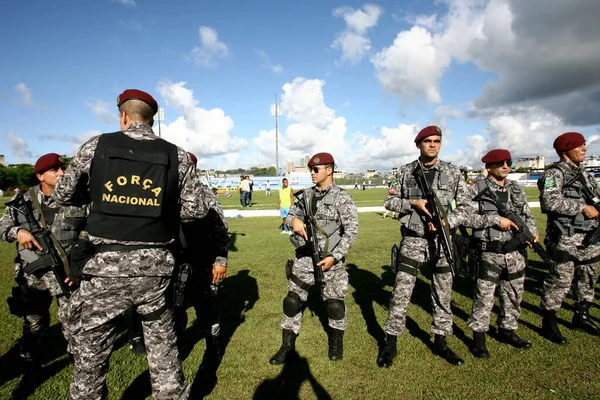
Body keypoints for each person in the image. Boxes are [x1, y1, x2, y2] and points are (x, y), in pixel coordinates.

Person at [53, 89, 214, 399]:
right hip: (155, 269)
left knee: (90, 360)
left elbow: (62, 194)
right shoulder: (175, 154)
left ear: (123, 116)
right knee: (163, 354)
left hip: (105, 269)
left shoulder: (97, 146)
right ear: (151, 119)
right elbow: (195, 209)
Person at [377, 125, 471, 368]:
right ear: (418, 144)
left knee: (443, 291)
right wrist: (413, 203)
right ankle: (391, 341)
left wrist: (447, 221)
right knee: (401, 291)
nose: (432, 144)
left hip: (442, 239)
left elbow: (467, 206)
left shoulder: (452, 172)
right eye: (427, 141)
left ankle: (441, 340)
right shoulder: (405, 172)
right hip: (413, 238)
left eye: (437, 141)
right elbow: (389, 201)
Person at [0, 153, 86, 395]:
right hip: (33, 277)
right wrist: (17, 232)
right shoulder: (23, 201)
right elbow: (2, 226)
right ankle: (31, 367)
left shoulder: (77, 198)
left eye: (62, 168)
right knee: (34, 325)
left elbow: (91, 233)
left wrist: (79, 267)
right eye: (54, 170)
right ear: (40, 176)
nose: (61, 173)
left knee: (74, 326)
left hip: (67, 276)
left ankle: (82, 372)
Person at [269, 152, 358, 364]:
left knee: (334, 305)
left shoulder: (342, 198)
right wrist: (294, 222)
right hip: (303, 259)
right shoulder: (304, 196)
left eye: (316, 170)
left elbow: (351, 231)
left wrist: (335, 258)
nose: (312, 173)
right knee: (292, 302)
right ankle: (287, 345)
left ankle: (336, 342)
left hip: (330, 260)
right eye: (310, 169)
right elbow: (289, 215)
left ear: (329, 170)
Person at [462, 149, 536, 358]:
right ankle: (479, 338)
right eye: (500, 163)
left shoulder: (515, 188)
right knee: (484, 297)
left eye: (508, 162)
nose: (506, 166)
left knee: (513, 293)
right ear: (488, 167)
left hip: (515, 251)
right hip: (489, 251)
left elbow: (526, 214)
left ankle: (508, 329)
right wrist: (494, 220)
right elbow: (463, 218)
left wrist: (532, 232)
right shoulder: (476, 189)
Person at [538, 132, 600, 344]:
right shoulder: (554, 174)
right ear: (566, 150)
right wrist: (582, 207)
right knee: (560, 281)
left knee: (588, 277)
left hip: (590, 236)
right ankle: (549, 322)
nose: (584, 149)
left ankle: (581, 316)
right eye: (580, 146)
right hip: (565, 236)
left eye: (584, 145)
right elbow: (549, 202)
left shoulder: (585, 173)